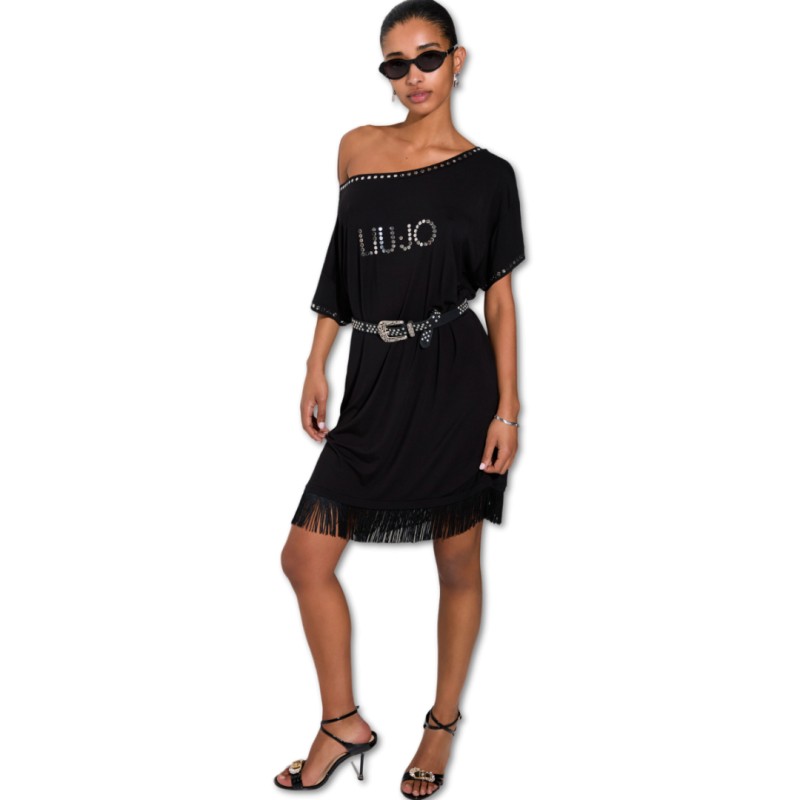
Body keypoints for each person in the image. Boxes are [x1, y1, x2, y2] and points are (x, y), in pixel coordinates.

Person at [274, 1, 526, 795]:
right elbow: (342, 265)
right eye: (396, 63)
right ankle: (341, 721)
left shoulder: (489, 175)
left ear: (457, 60)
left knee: (457, 562)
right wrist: (316, 360)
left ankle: (441, 725)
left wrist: (507, 410)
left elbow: (500, 302)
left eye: (427, 57)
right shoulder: (357, 148)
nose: (412, 75)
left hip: (455, 382)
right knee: (304, 558)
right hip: (372, 380)